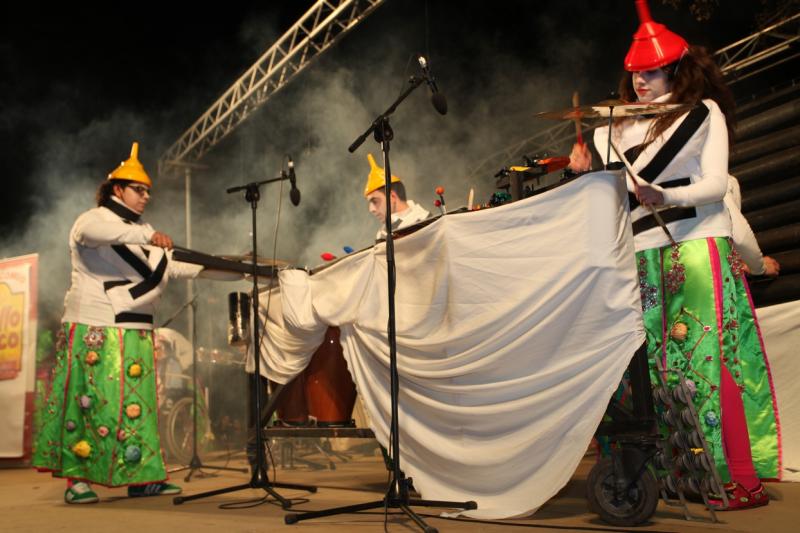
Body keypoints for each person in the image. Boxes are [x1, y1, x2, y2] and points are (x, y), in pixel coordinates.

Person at [569, 0, 780, 509]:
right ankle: (665, 474)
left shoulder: (703, 114)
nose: (642, 81)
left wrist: (667, 196)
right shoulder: (608, 130)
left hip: (696, 247)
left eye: (654, 71)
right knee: (653, 368)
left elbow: (714, 185)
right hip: (639, 255)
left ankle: (731, 479)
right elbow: (611, 203)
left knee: (704, 361)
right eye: (636, 73)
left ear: (676, 69)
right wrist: (585, 176)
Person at [32, 142, 204, 504]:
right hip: (94, 327)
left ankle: (141, 478)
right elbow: (93, 235)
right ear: (116, 190)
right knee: (90, 404)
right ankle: (77, 481)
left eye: (147, 193)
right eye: (138, 190)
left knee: (135, 409)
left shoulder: (142, 231)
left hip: (136, 330)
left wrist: (220, 268)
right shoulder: (94, 219)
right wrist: (146, 235)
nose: (145, 198)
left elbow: (169, 265)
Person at [364, 153, 430, 240]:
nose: (371, 209)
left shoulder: (425, 221)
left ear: (392, 196)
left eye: (375, 201)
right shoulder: (382, 233)